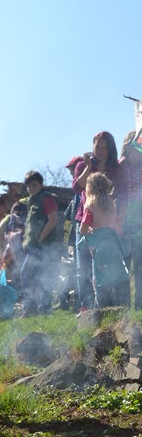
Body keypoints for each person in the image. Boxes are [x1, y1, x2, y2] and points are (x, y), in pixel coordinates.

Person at [72, 132, 124, 310]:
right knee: (83, 268)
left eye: (105, 147)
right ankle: (87, 309)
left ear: (110, 150)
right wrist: (88, 167)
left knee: (105, 268)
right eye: (98, 146)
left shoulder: (114, 169)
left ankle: (106, 306)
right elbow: (77, 187)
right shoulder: (82, 165)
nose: (100, 150)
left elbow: (118, 191)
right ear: (93, 146)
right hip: (86, 220)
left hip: (106, 226)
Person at [79, 173, 130, 308]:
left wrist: (87, 232)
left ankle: (102, 309)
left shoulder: (90, 205)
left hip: (99, 248)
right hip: (113, 246)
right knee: (116, 275)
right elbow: (114, 224)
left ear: (90, 188)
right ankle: (120, 306)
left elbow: (83, 228)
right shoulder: (111, 204)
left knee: (100, 279)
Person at [19, 170, 59, 315]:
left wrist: (41, 238)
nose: (31, 188)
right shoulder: (32, 200)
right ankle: (33, 307)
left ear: (41, 184)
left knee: (41, 276)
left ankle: (43, 307)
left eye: (34, 185)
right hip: (34, 246)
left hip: (44, 246)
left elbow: (53, 219)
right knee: (30, 275)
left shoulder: (46, 198)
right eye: (29, 186)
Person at [117, 130, 142, 308]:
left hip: (140, 221)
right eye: (137, 145)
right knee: (123, 266)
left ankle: (140, 306)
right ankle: (123, 307)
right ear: (128, 146)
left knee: (140, 267)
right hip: (123, 220)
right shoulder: (120, 167)